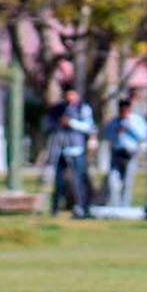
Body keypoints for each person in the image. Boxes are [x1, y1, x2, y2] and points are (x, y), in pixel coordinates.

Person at [45, 83, 95, 218]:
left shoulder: (82, 108)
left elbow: (89, 127)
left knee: (78, 180)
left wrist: (71, 123)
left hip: (76, 149)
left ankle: (81, 207)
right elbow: (47, 123)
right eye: (67, 94)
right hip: (61, 149)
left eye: (72, 94)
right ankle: (54, 208)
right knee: (59, 181)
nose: (69, 97)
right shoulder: (58, 109)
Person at [102, 99, 147, 208]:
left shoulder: (137, 121)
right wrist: (116, 132)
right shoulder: (114, 122)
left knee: (128, 182)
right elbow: (107, 137)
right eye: (121, 110)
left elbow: (143, 137)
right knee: (112, 180)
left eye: (125, 110)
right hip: (117, 154)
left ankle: (125, 207)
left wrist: (128, 128)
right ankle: (116, 206)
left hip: (130, 154)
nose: (123, 112)